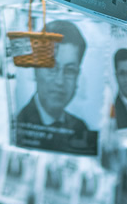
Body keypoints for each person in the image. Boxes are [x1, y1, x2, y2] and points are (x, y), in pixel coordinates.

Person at [16, 20, 95, 155]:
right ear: (36, 69)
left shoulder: (81, 128)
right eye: (51, 67)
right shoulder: (17, 123)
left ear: (77, 76)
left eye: (70, 70)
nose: (60, 81)